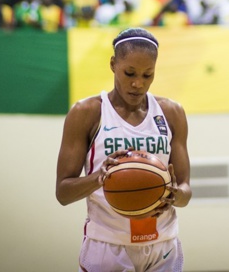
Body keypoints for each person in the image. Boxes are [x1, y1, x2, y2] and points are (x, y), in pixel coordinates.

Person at [56, 27, 192, 272]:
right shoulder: (86, 113)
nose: (138, 83)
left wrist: (174, 194)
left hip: (163, 244)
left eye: (147, 75)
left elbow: (186, 190)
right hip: (108, 245)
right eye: (129, 73)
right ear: (113, 65)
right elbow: (63, 193)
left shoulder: (172, 113)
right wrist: (100, 178)